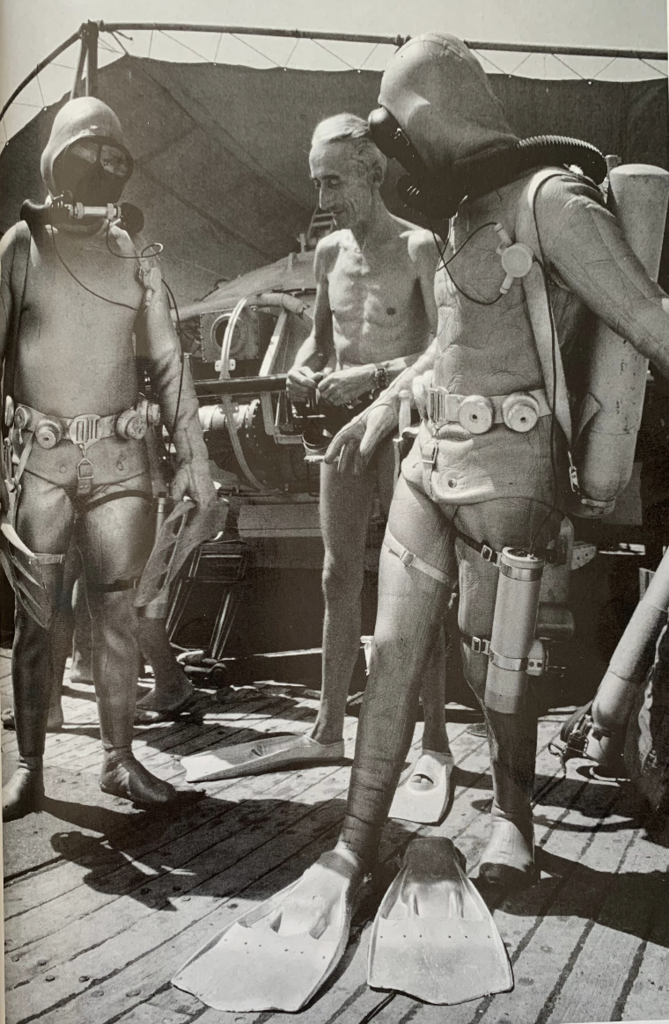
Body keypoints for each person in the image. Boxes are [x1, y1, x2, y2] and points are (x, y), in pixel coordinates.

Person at [218, 30, 669, 956]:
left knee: (497, 667)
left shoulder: (549, 200)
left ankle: (512, 819)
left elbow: (646, 316)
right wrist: (385, 406)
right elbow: (446, 346)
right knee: (390, 654)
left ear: (425, 120)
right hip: (432, 461)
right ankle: (354, 842)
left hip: (511, 478)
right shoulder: (463, 217)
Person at [0, 96, 216, 820]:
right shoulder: (21, 249)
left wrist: (195, 460)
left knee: (118, 613)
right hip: (41, 464)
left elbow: (170, 365)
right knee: (38, 618)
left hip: (122, 464)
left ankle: (119, 759)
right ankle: (30, 766)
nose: (98, 166)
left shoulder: (136, 259)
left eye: (111, 154)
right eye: (83, 152)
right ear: (54, 161)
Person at [286, 114, 453, 789]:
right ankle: (328, 728)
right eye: (317, 184)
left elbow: (446, 347)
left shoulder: (420, 247)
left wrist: (375, 378)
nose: (323, 199)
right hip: (344, 430)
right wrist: (303, 367)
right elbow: (319, 340)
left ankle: (435, 738)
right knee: (336, 575)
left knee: (419, 582)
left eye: (334, 182)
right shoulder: (328, 254)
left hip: (407, 427)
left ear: (374, 173)